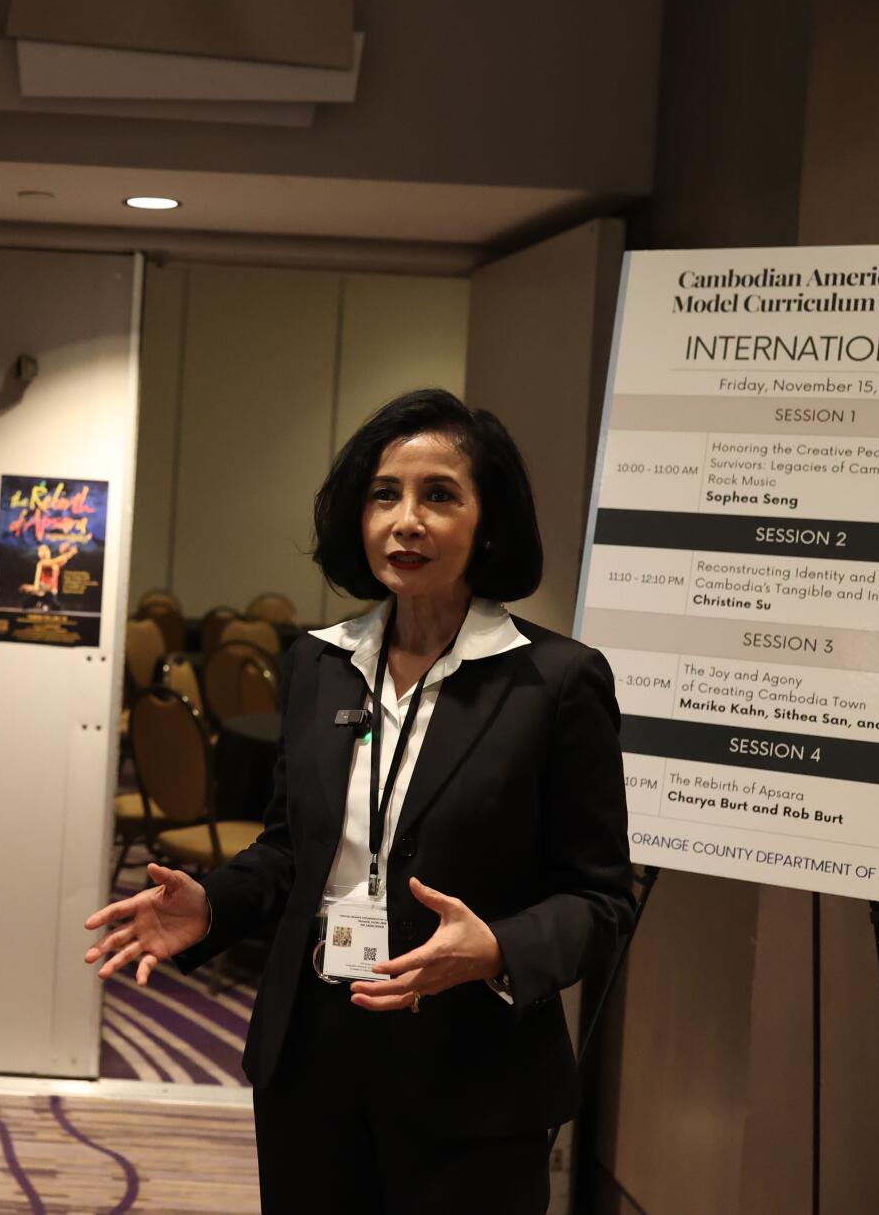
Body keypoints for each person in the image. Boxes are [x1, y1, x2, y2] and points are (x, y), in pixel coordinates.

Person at [83, 388, 633, 1213]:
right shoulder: (318, 664)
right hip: (313, 1055)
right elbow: (286, 850)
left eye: (439, 495)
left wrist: (495, 949)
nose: (405, 520)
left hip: (471, 1071)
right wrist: (217, 903)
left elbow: (601, 898)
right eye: (385, 495)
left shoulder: (553, 682)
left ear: (490, 522)